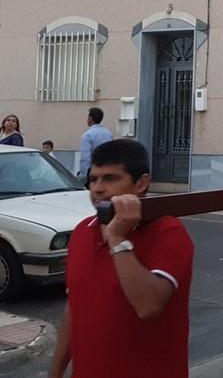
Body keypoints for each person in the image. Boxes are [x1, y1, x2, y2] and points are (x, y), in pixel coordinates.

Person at [49, 139, 193, 378]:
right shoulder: (83, 231)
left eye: (110, 178)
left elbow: (148, 305)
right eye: (93, 180)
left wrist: (117, 238)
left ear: (141, 183)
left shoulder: (168, 231)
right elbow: (75, 306)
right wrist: (55, 372)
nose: (97, 188)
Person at [79, 107, 113, 181]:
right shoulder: (108, 133)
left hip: (94, 171)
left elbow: (85, 158)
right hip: (107, 169)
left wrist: (83, 176)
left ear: (91, 118)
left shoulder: (88, 135)